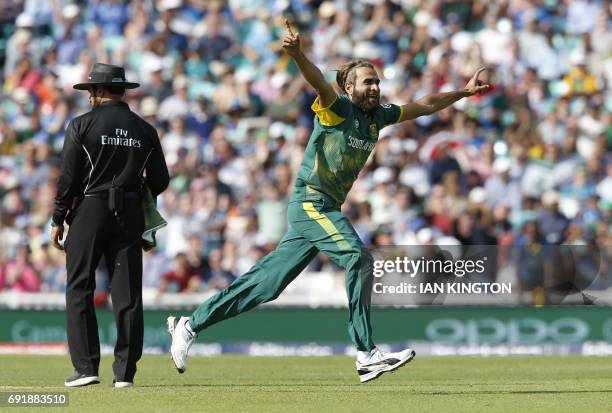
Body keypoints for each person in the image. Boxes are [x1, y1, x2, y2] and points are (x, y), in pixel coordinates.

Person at [167, 21, 489, 383]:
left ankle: (189, 324)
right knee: (357, 255)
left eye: (377, 81)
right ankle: (366, 353)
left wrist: (462, 93)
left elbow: (424, 106)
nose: (375, 87)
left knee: (268, 284)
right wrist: (297, 55)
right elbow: (319, 80)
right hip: (310, 202)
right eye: (368, 82)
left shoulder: (377, 118)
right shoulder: (337, 108)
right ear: (348, 87)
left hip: (323, 210)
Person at [50, 63, 169, 388]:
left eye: (90, 91)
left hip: (90, 208)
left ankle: (86, 368)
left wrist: (58, 218)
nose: (89, 97)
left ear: (99, 92)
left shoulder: (81, 125)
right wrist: (136, 193)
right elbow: (161, 179)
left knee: (79, 287)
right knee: (128, 293)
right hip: (129, 210)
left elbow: (69, 179)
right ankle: (125, 374)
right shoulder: (145, 129)